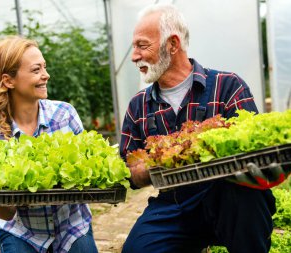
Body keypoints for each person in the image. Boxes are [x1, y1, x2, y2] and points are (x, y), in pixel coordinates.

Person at [119, 4, 287, 253]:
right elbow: (127, 172)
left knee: (246, 197)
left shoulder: (227, 86)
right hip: (171, 206)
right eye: (134, 47)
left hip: (229, 200)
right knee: (136, 250)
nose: (134, 56)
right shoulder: (138, 106)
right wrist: (157, 163)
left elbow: (255, 150)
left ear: (173, 44)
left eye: (142, 46)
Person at [0, 36, 98, 253]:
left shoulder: (64, 114)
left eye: (45, 67)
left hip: (71, 225)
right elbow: (6, 214)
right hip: (23, 231)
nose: (46, 75)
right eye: (36, 70)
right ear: (8, 80)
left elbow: (88, 176)